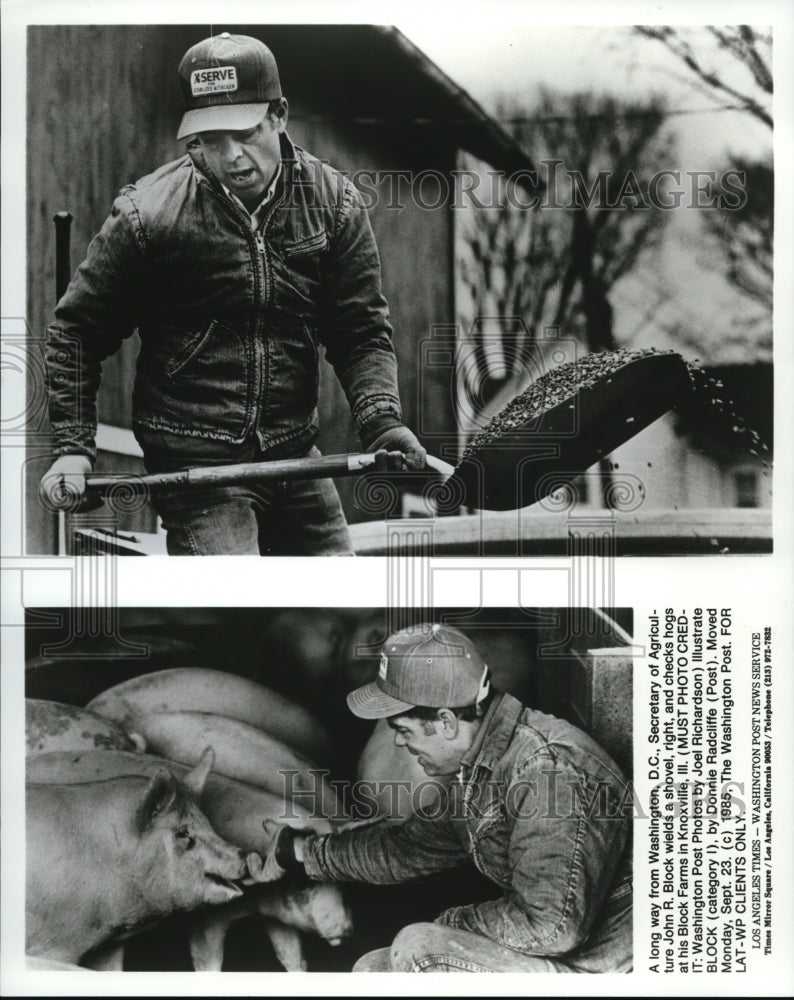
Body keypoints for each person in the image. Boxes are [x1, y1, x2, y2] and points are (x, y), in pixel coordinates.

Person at [42, 32, 425, 555]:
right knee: (237, 602)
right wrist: (72, 450)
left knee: (337, 605)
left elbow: (360, 331)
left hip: (293, 454)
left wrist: (383, 422)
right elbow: (78, 331)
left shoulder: (333, 204)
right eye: (211, 139)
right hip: (195, 465)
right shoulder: (147, 217)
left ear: (280, 114)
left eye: (244, 133)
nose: (231, 156)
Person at [261, 622, 633, 973]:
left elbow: (551, 927)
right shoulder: (486, 763)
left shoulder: (545, 773)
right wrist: (303, 854)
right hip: (555, 952)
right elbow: (407, 847)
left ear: (446, 722)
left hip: (594, 965)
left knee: (420, 948)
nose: (399, 743)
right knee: (373, 968)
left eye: (404, 730)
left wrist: (449, 925)